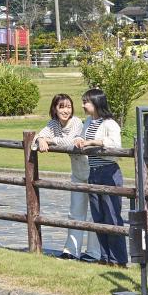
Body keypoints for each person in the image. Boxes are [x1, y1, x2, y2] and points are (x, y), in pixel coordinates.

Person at [35, 93, 98, 261]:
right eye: (61, 107)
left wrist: (50, 141)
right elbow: (37, 137)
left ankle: (93, 253)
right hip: (77, 171)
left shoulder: (77, 122)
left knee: (94, 213)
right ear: (54, 109)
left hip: (92, 170)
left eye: (68, 106)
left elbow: (71, 142)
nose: (65, 110)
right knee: (75, 211)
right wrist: (41, 138)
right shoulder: (54, 124)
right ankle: (71, 251)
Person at [72, 87, 127, 267]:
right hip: (93, 172)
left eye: (86, 102)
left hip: (109, 171)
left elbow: (115, 144)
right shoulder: (88, 122)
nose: (83, 105)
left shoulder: (109, 123)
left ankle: (118, 259)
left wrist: (93, 142)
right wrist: (79, 140)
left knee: (112, 216)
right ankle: (105, 257)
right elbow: (81, 137)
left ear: (96, 103)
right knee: (98, 217)